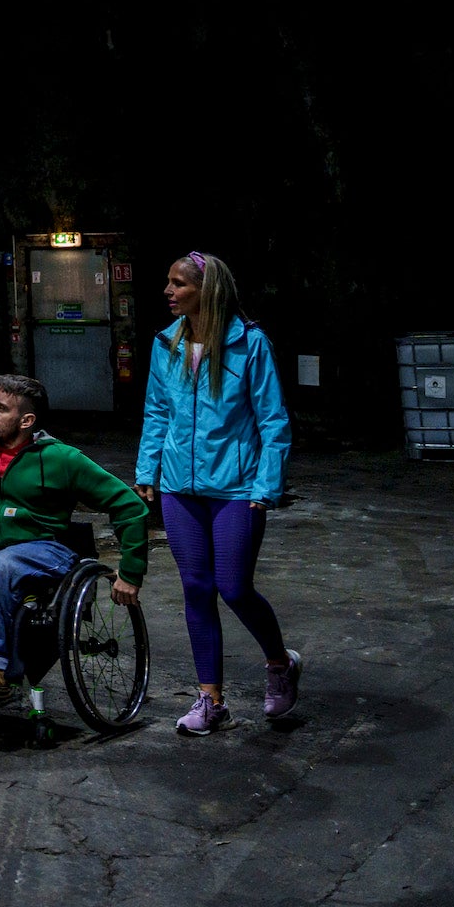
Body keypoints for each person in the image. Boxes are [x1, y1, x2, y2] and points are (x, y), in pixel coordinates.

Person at [135, 251, 301, 735]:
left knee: (233, 587)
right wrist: (149, 469)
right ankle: (211, 700)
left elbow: (273, 421)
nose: (168, 291)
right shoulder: (165, 343)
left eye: (178, 283)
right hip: (179, 489)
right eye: (167, 283)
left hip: (237, 487)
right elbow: (156, 414)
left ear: (205, 291)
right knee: (196, 588)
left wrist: (267, 485)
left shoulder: (250, 344)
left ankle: (279, 663)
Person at [0, 374, 147, 694]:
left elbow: (129, 505)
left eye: (0, 408)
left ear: (26, 420)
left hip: (47, 549)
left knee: (2, 565)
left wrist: (131, 571)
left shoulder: (61, 458)